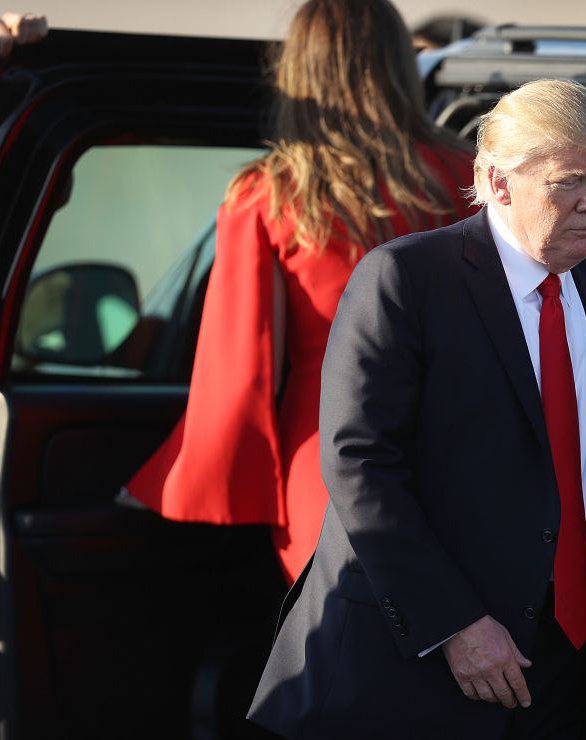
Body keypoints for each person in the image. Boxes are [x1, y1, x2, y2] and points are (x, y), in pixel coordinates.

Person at [248, 79, 586, 739]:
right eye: (568, 183)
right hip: (415, 669)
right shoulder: (407, 280)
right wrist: (452, 624)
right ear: (500, 184)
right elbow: (360, 465)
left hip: (564, 667)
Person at [124, 0, 475, 585]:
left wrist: (171, 478)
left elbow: (239, 378)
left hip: (329, 468)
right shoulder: (471, 176)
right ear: (397, 63)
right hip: (464, 456)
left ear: (299, 72)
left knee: (341, 657)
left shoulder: (269, 197)